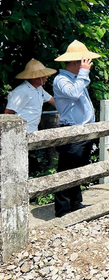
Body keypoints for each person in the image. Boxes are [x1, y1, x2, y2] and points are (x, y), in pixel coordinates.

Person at [52, 40, 102, 218]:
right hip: (72, 130)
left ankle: (75, 203)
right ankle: (63, 210)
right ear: (76, 62)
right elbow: (73, 93)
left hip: (83, 130)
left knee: (78, 169)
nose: (88, 63)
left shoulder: (76, 78)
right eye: (85, 61)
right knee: (67, 170)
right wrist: (84, 73)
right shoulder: (61, 79)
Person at [4, 59, 57, 132]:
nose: (45, 77)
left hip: (33, 130)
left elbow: (52, 100)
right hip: (21, 131)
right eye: (43, 76)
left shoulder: (39, 89)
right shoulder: (21, 91)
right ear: (35, 78)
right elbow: (8, 112)